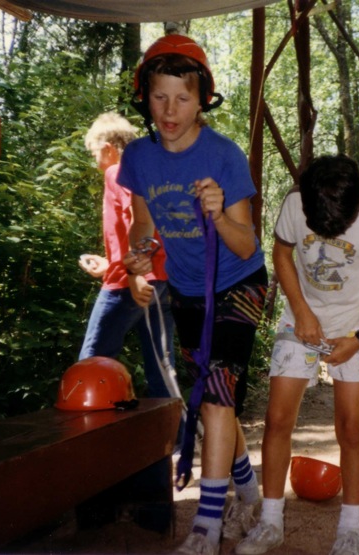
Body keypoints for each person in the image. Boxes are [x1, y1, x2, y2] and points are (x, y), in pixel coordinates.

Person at [119, 35, 268, 555]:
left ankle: (205, 526)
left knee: (218, 395)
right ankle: (248, 491)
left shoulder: (224, 155)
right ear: (144, 96)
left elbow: (247, 243)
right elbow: (142, 226)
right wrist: (139, 261)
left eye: (182, 98)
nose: (169, 111)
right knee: (211, 397)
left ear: (202, 97)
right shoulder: (138, 156)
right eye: (159, 97)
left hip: (239, 284)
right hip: (186, 290)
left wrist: (220, 214)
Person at [236, 154, 359, 555]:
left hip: (354, 329)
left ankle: (350, 530)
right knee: (277, 419)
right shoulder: (295, 201)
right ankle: (271, 522)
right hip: (299, 321)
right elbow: (281, 254)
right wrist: (301, 310)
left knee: (350, 428)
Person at [78, 112, 175, 400]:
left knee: (90, 364)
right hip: (161, 280)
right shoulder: (146, 173)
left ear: (108, 148)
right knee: (161, 368)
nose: (95, 160)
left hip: (129, 283)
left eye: (94, 152)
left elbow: (138, 218)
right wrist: (110, 262)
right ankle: (175, 429)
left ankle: (91, 424)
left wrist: (134, 274)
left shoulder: (117, 172)